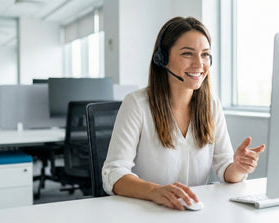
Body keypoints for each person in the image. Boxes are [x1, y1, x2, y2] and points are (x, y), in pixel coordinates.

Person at [102, 16, 265, 210]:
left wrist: (239, 167)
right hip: (146, 212)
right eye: (188, 54)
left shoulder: (212, 106)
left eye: (205, 54)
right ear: (162, 59)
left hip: (194, 213)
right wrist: (155, 191)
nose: (199, 64)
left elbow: (225, 168)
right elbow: (114, 172)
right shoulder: (137, 104)